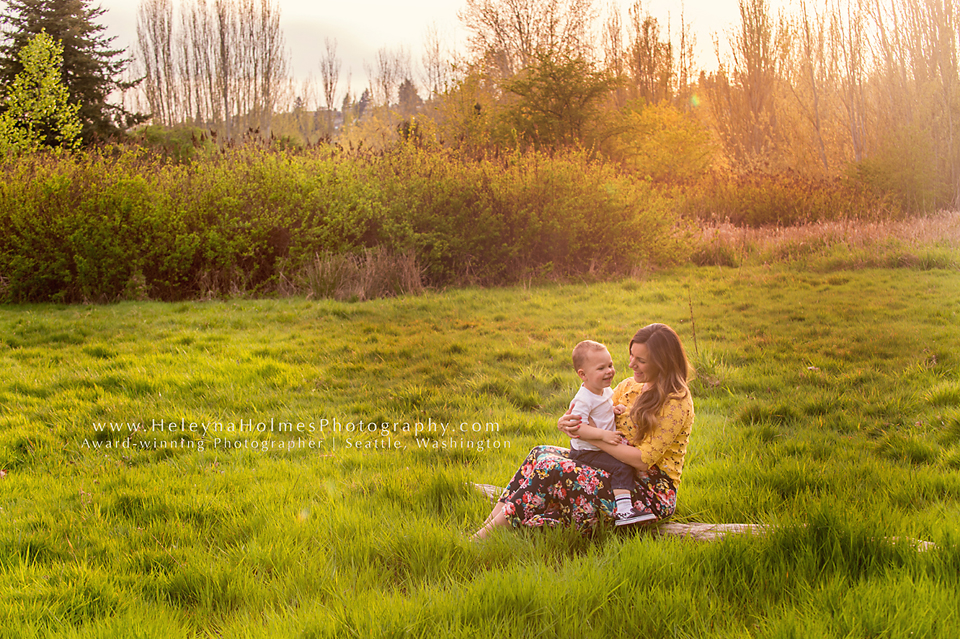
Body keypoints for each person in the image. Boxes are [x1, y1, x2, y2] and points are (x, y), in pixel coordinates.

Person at [472, 323, 694, 540]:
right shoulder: (629, 386)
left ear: (663, 363)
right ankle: (489, 524)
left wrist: (589, 436)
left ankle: (484, 537)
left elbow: (643, 462)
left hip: (647, 492)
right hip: (615, 467)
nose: (631, 365)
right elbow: (595, 412)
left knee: (551, 468)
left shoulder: (675, 402)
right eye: (631, 356)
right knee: (539, 453)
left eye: (641, 360)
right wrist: (566, 423)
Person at [566, 339, 656, 526]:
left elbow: (602, 409)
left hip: (598, 447)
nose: (609, 371)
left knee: (626, 459)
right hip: (586, 451)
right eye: (601, 368)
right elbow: (578, 427)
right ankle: (624, 511)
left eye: (610, 365)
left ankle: (628, 500)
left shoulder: (604, 391)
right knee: (621, 466)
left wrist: (613, 409)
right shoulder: (583, 399)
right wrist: (603, 435)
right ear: (583, 374)